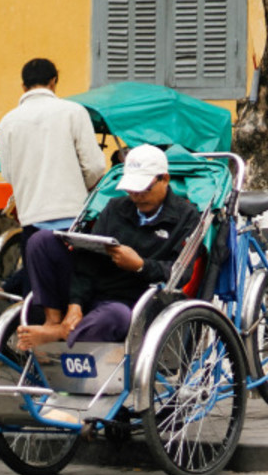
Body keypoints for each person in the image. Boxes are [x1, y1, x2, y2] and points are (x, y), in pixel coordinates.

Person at [16, 145, 200, 350]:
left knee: (114, 317)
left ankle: (61, 333)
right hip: (93, 288)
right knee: (42, 241)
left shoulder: (187, 216)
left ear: (164, 179)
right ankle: (53, 322)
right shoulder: (115, 207)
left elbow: (180, 272)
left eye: (144, 188)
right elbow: (88, 259)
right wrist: (75, 304)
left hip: (132, 302)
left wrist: (140, 265)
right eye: (132, 189)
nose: (137, 195)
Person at [0, 58, 106, 294]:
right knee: (75, 292)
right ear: (54, 82)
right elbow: (95, 167)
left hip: (32, 221)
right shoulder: (73, 112)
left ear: (23, 87)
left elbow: (8, 173)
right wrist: (78, 187)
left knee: (38, 293)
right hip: (73, 221)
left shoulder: (8, 122)